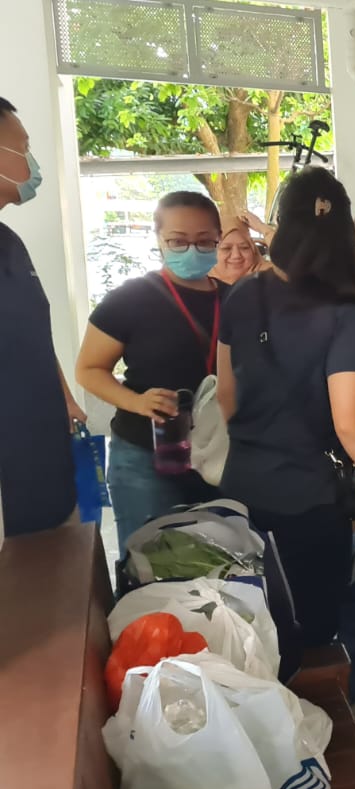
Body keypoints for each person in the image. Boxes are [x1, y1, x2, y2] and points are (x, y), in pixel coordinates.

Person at [215, 167, 355, 660]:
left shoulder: (243, 293)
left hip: (243, 486)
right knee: (314, 625)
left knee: (255, 622)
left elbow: (225, 393)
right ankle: (317, 722)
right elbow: (348, 421)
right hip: (311, 496)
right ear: (343, 235)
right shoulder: (346, 309)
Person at [77, 191, 226, 548]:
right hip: (146, 456)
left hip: (220, 455)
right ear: (159, 239)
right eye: (178, 241)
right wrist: (137, 402)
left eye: (205, 241)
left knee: (220, 562)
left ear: (218, 239)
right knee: (148, 564)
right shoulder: (130, 299)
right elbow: (89, 369)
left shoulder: (235, 300)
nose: (192, 250)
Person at [0, 95, 82, 538]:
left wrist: (63, 394)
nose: (31, 160)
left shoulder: (9, 242)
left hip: (45, 465)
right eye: (22, 145)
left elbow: (29, 333)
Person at [211, 218, 265, 285]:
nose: (236, 255)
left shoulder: (270, 278)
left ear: (253, 250)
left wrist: (263, 229)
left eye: (244, 248)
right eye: (226, 248)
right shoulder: (198, 285)